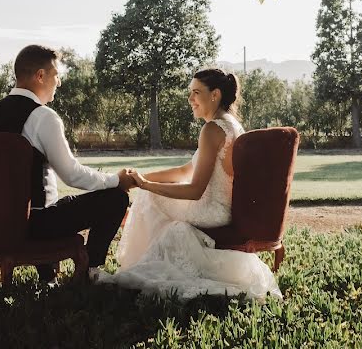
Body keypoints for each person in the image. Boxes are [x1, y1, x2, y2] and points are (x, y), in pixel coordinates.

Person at [93, 68, 282, 301]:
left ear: (215, 95)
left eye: (196, 93)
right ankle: (155, 259)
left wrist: (144, 186)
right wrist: (142, 177)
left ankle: (140, 265)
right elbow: (185, 170)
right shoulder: (229, 124)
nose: (190, 99)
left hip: (212, 210)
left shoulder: (212, 129)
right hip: (220, 207)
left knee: (148, 197)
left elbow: (195, 191)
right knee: (150, 193)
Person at [0, 44, 134, 282]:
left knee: (52, 202)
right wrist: (116, 180)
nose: (58, 82)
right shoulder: (42, 116)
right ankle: (90, 271)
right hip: (33, 225)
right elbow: (72, 175)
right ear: (40, 76)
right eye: (56, 75)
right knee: (116, 198)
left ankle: (47, 272)